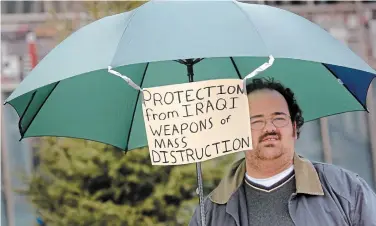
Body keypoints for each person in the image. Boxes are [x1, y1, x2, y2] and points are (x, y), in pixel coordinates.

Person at [189, 78, 376, 226]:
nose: (269, 128)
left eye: (278, 118)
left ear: (294, 129)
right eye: (256, 121)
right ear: (240, 132)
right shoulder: (210, 215)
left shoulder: (347, 190)